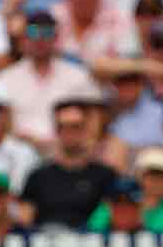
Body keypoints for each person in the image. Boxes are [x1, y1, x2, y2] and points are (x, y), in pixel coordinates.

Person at [0, 9, 97, 149]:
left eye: (47, 33)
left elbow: (94, 119)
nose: (40, 39)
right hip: (18, 150)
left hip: (66, 151)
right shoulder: (5, 78)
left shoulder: (78, 76)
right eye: (33, 32)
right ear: (24, 38)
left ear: (56, 37)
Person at [20, 99, 118, 231]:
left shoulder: (105, 176)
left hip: (91, 239)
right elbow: (25, 220)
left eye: (75, 126)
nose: (69, 132)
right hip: (45, 239)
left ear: (87, 130)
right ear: (56, 131)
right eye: (62, 127)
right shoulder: (38, 176)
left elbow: (112, 214)